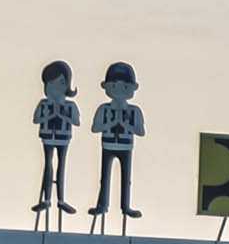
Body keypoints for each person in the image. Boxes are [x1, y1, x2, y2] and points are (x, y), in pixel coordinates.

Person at [88, 61, 145, 218]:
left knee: (126, 178)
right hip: (108, 144)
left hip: (126, 146)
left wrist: (125, 123)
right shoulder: (104, 109)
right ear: (106, 87)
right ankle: (102, 204)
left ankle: (125, 206)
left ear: (133, 88)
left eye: (125, 86)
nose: (119, 90)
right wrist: (113, 122)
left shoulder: (134, 111)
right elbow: (95, 128)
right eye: (114, 86)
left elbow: (140, 131)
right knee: (105, 176)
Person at [30, 61, 79, 214]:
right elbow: (36, 119)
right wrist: (51, 114)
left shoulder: (70, 106)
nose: (56, 88)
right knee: (48, 164)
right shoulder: (44, 104)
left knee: (61, 166)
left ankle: (61, 199)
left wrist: (62, 114)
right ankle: (46, 199)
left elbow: (76, 121)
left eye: (61, 83)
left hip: (63, 138)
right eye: (51, 84)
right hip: (48, 137)